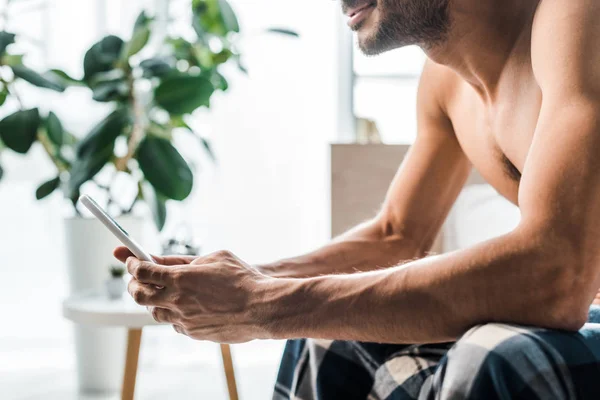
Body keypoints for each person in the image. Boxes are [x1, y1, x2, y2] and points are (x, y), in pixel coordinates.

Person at [114, 0, 600, 398]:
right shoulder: (446, 85)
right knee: (327, 338)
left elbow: (556, 275)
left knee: (494, 357)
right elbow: (396, 234)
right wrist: (247, 281)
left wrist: (260, 304)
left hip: (581, 302)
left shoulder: (575, 18)